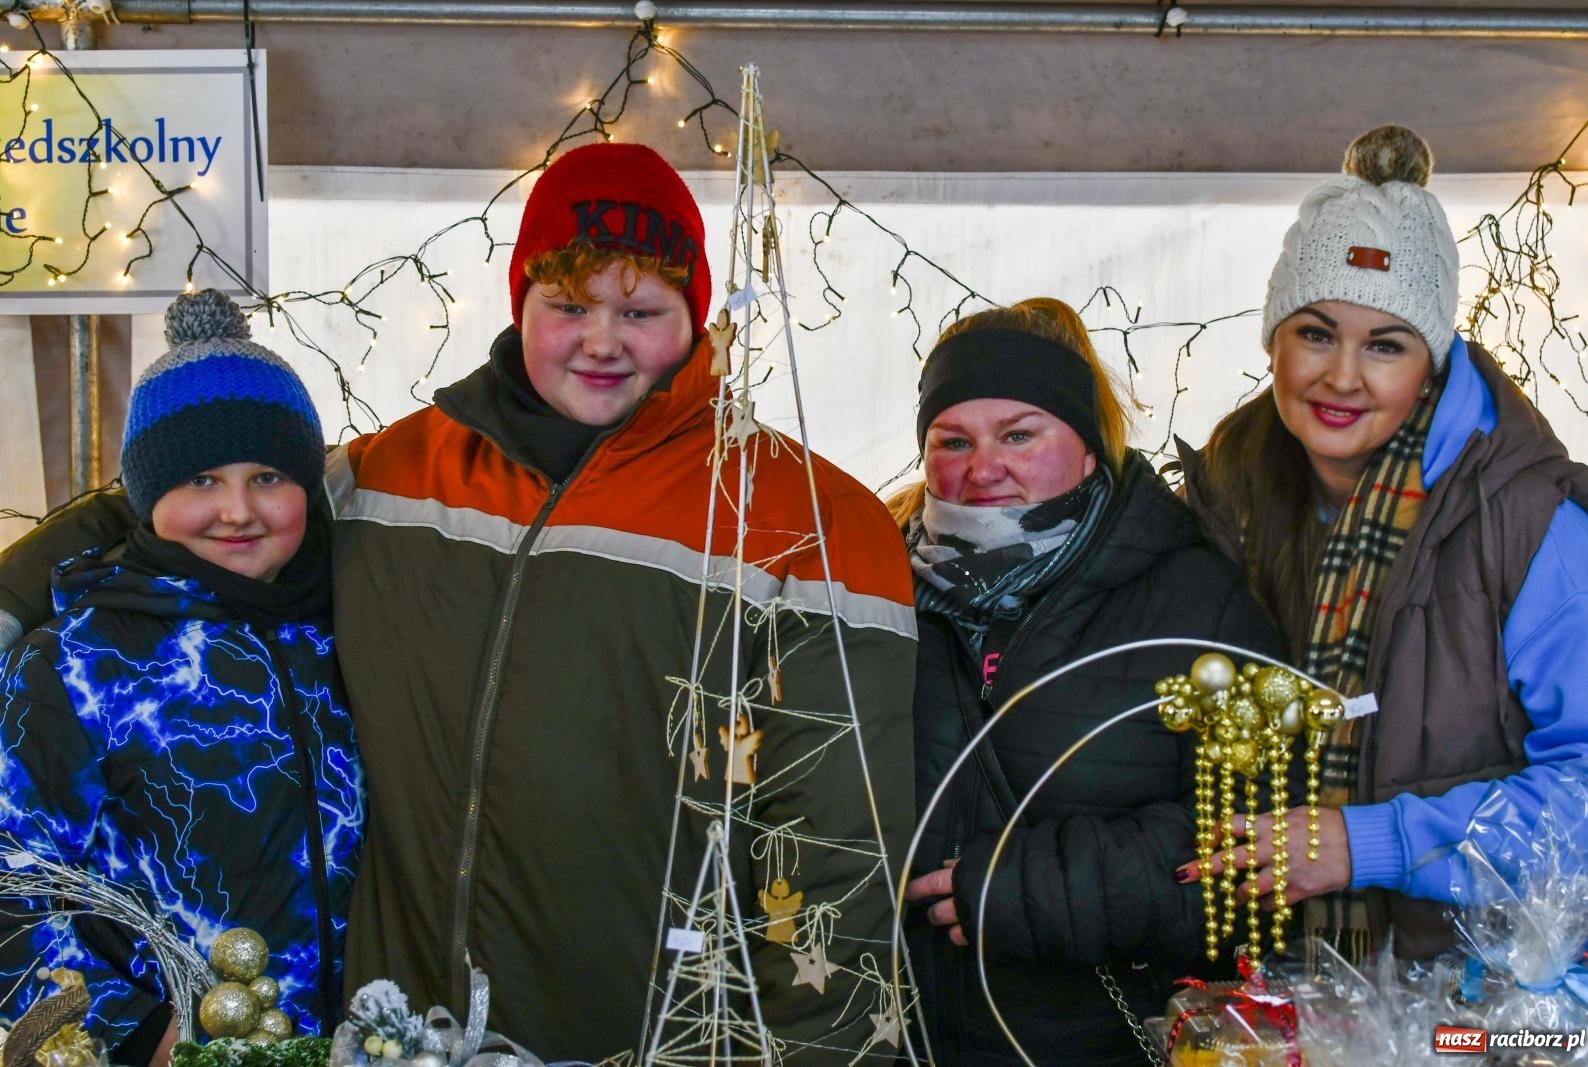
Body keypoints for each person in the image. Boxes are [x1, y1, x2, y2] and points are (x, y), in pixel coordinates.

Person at [0, 143, 917, 1061]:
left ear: (696, 317)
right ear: (520, 303)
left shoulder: (807, 521)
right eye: (568, 306)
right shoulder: (399, 475)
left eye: (640, 310)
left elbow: (835, 860)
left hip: (639, 1037)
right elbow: (184, 507)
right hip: (389, 1034)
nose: (601, 340)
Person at [1177, 125, 1588, 963]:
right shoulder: (1228, 502)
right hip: (1265, 988)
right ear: (1274, 340)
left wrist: (1375, 841)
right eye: (1315, 332)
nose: (1341, 376)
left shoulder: (1532, 522)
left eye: (1385, 345)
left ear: (1431, 366)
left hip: (1487, 1007)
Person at [894, 299, 1283, 1065]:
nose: (982, 470)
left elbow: (1259, 848)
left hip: (1104, 1041)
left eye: (1018, 434)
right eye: (953, 440)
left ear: (1086, 446)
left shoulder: (1196, 599)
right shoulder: (869, 584)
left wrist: (1037, 888)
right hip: (902, 1039)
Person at [0, 290, 364, 1065]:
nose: (237, 509)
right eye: (200, 480)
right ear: (146, 491)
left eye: (269, 475)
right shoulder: (74, 661)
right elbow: (9, 886)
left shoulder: (351, 629)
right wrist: (131, 1031)